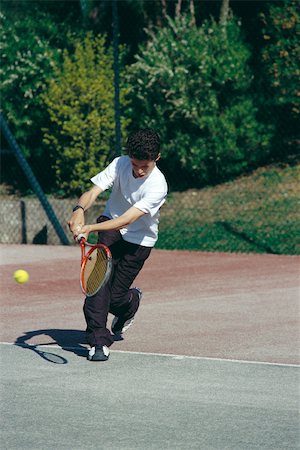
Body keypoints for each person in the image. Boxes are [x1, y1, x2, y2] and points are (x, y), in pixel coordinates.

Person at [68, 128, 168, 361]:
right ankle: (98, 341)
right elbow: (93, 192)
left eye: (145, 165)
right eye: (135, 164)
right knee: (98, 286)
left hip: (139, 241)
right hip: (110, 229)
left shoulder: (158, 186)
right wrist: (79, 211)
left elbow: (128, 219)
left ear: (157, 158)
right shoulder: (119, 164)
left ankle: (130, 304)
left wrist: (90, 228)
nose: (139, 170)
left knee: (115, 298)